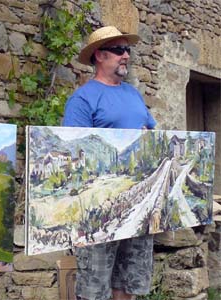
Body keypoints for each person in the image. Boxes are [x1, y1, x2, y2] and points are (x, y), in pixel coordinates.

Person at [62, 26, 156, 300]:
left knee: (128, 283)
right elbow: (74, 153)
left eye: (128, 50)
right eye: (118, 50)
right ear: (99, 56)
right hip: (99, 208)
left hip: (139, 204)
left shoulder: (134, 95)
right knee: (94, 287)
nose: (126, 55)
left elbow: (152, 136)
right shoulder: (82, 99)